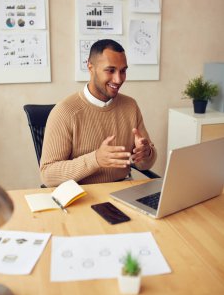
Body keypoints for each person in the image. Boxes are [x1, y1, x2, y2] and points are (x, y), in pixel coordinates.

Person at [40, 39, 157, 187]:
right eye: (110, 70)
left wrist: (146, 155)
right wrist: (95, 159)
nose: (118, 79)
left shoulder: (130, 106)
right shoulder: (65, 112)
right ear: (90, 67)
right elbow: (48, 175)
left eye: (123, 71)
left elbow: (146, 165)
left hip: (123, 189)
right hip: (81, 195)